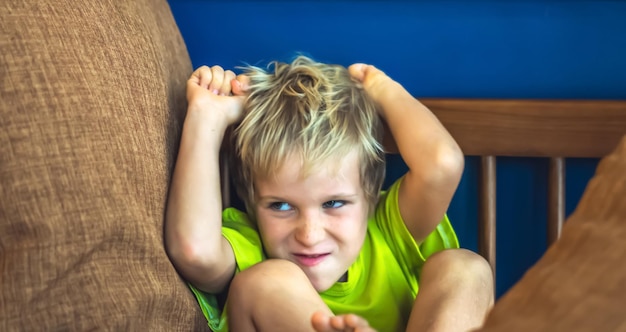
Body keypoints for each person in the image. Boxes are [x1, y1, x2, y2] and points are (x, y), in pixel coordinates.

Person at [165, 55, 494, 332]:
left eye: (333, 203)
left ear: (369, 195)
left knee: (466, 268)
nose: (309, 234)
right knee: (263, 281)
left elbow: (442, 166)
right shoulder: (251, 247)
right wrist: (206, 116)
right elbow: (195, 251)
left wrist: (380, 88)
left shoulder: (388, 231)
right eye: (280, 206)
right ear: (252, 201)